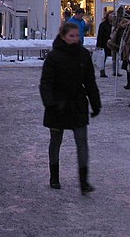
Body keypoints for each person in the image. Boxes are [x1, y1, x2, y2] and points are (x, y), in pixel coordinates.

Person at [39, 21, 102, 194]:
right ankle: (54, 177)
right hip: (58, 105)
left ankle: (84, 181)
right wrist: (50, 103)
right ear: (63, 36)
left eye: (77, 36)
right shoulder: (53, 57)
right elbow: (46, 83)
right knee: (56, 141)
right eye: (71, 36)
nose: (75, 39)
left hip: (77, 104)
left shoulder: (83, 55)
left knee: (82, 141)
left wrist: (96, 103)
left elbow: (89, 82)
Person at [95, 10, 112, 78]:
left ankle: (115, 71)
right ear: (107, 16)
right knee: (102, 58)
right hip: (104, 43)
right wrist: (98, 45)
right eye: (111, 15)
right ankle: (102, 72)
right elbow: (100, 35)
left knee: (115, 57)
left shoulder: (115, 24)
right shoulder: (103, 24)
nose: (112, 17)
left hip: (112, 43)